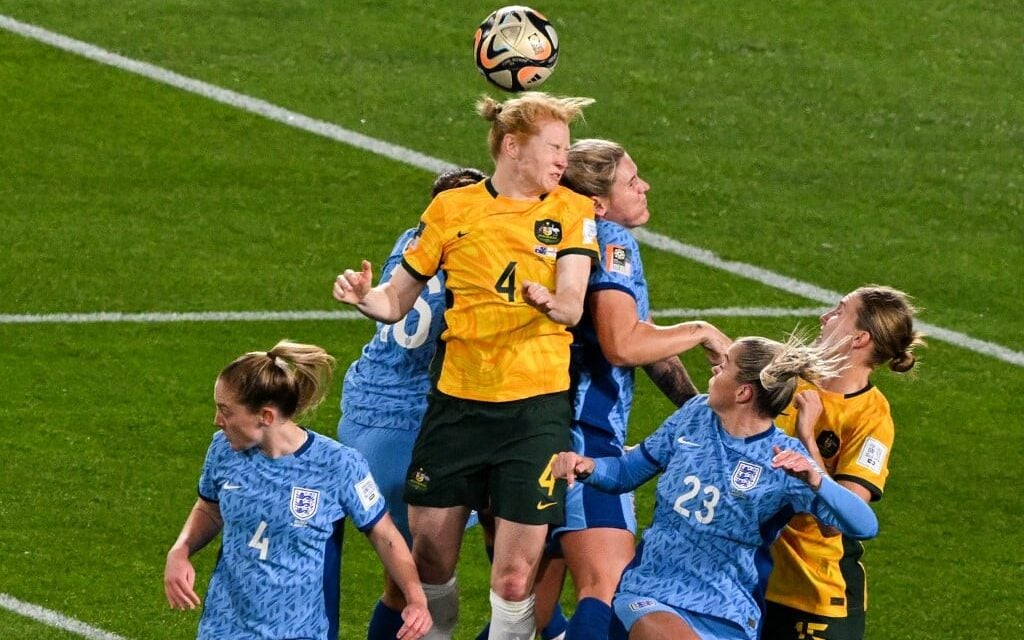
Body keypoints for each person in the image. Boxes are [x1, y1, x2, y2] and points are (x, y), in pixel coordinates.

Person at [333, 92, 599, 640]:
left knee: (513, 577)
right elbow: (395, 302)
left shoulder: (570, 210)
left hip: (535, 413)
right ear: (511, 147)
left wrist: (552, 305)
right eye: (554, 148)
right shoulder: (452, 210)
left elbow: (573, 301)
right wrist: (364, 297)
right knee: (429, 566)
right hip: (457, 406)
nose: (562, 161)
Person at [551, 335, 880, 640]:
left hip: (728, 612)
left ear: (743, 393)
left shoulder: (784, 462)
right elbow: (625, 472)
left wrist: (817, 479)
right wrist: (589, 467)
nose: (715, 367)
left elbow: (865, 525)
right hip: (651, 591)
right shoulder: (694, 416)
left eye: (725, 366)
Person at [538, 138, 731, 640]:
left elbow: (639, 332)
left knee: (526, 610)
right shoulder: (610, 240)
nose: (644, 186)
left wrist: (699, 408)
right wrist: (702, 331)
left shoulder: (557, 233)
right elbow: (623, 344)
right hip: (584, 437)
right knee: (607, 590)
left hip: (532, 431)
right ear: (599, 202)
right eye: (631, 181)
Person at [163, 340, 432, 640]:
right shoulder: (223, 450)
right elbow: (209, 508)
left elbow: (385, 535)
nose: (217, 420)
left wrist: (416, 598)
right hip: (225, 627)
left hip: (303, 631)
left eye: (225, 411)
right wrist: (181, 549)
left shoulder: (338, 465)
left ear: (265, 416)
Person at [339, 167, 487, 640]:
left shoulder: (413, 242)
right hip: (417, 427)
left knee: (405, 587)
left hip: (366, 411)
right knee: (437, 591)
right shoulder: (476, 256)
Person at [761, 286, 924, 640]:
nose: (825, 317)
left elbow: (840, 519)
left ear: (859, 338)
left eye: (838, 312)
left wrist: (807, 438)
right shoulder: (789, 377)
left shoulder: (871, 418)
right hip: (751, 576)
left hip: (813, 594)